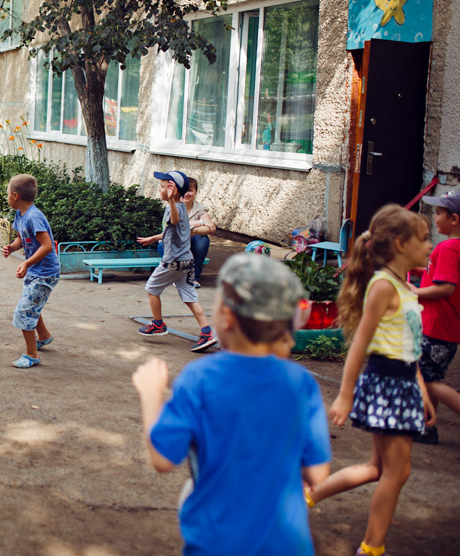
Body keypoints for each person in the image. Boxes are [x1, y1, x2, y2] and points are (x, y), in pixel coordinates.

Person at [132, 254, 331, 555]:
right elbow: (318, 475)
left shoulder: (199, 378)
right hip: (289, 544)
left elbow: (163, 459)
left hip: (218, 541)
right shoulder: (301, 384)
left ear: (226, 316)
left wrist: (151, 395)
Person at [308, 204, 435, 556]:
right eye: (423, 239)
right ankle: (372, 548)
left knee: (379, 469)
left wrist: (421, 388)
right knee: (398, 471)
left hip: (404, 382)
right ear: (398, 244)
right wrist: (344, 395)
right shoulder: (383, 286)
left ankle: (306, 496)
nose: (429, 246)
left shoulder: (403, 284)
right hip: (387, 384)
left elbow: (408, 343)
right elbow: (360, 344)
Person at [136, 170, 216, 351]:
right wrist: (154, 238)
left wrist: (172, 200)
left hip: (172, 262)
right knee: (189, 296)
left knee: (151, 289)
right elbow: (173, 229)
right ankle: (206, 332)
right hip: (187, 262)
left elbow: (174, 218)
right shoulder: (178, 208)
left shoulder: (175, 208)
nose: (160, 190)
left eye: (163, 187)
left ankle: (158, 324)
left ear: (173, 190)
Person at [414, 191, 460, 444]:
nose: (434, 217)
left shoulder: (448, 247)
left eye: (439, 213)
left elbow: (446, 287)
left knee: (425, 378)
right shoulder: (454, 247)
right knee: (430, 376)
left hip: (437, 327)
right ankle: (426, 427)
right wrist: (422, 270)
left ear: (454, 219)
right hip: (447, 328)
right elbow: (442, 275)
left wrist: (416, 290)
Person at [1, 173, 60, 368]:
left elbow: (47, 246)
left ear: (15, 196)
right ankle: (43, 335)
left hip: (45, 273)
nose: (6, 196)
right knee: (31, 303)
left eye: (7, 193)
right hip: (36, 270)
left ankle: (32, 353)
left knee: (24, 311)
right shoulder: (20, 214)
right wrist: (12, 247)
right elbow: (23, 238)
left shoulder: (34, 217)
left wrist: (26, 263)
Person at [148, 177, 214, 288]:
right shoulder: (173, 206)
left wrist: (196, 230)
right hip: (170, 243)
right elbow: (176, 228)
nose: (187, 194)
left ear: (196, 192)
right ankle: (177, 277)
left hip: (188, 244)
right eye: (185, 190)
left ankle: (194, 278)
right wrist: (200, 222)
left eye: (190, 190)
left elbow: (211, 228)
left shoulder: (200, 208)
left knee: (202, 239)